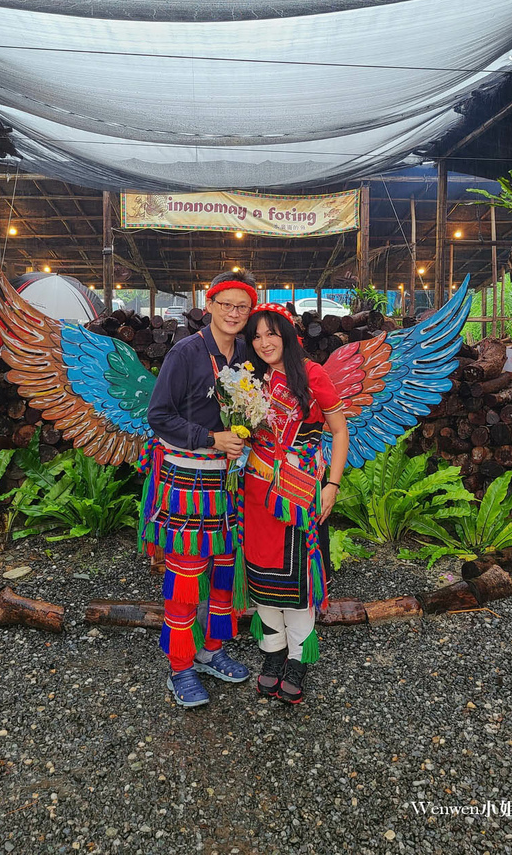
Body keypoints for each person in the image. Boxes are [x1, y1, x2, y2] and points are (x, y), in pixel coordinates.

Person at [139, 270, 257, 708]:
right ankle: (180, 666)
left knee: (224, 570)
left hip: (230, 480)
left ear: (249, 312)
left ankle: (211, 650)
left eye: (241, 307)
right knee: (186, 576)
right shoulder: (186, 353)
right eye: (225, 304)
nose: (233, 313)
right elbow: (158, 415)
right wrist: (211, 439)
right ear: (209, 306)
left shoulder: (247, 352)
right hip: (188, 476)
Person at [242, 303, 349, 704]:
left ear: (287, 335)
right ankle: (273, 655)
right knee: (261, 572)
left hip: (301, 492)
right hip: (255, 491)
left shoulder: (313, 375)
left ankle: (298, 660)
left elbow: (339, 431)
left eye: (271, 333)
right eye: (256, 335)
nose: (264, 342)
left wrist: (332, 485)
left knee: (297, 577)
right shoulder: (250, 379)